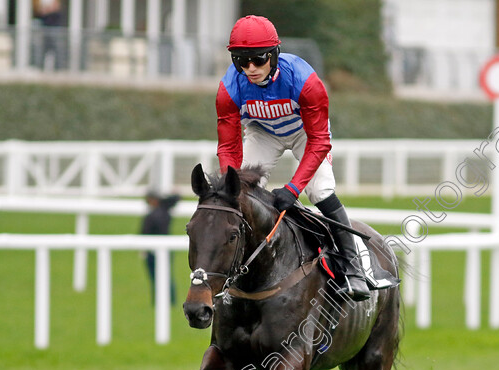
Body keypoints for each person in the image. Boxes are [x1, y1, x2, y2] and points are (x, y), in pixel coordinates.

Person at [215, 15, 370, 301]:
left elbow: (319, 141)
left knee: (320, 191)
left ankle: (353, 267)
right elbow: (228, 147)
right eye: (241, 60)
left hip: (305, 134)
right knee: (238, 192)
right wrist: (230, 182)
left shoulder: (304, 81)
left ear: (273, 55)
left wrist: (293, 189)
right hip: (263, 133)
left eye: (258, 59)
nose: (250, 68)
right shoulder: (229, 88)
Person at [141, 190, 181, 305]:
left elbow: (144, 233)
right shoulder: (165, 209)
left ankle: (159, 300)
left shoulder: (152, 215)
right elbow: (176, 196)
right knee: (167, 276)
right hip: (167, 249)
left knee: (156, 277)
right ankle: (171, 300)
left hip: (153, 250)